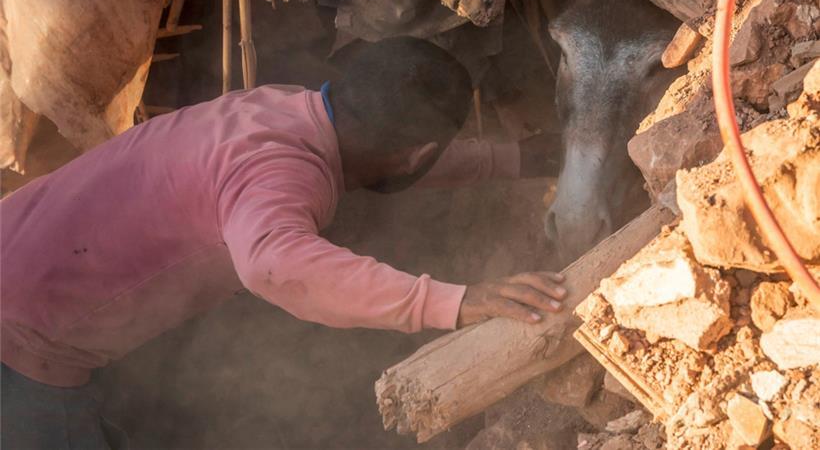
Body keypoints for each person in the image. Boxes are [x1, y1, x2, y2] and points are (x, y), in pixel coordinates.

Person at [0, 37, 567, 448]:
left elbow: (389, 156)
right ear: (415, 154)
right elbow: (272, 265)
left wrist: (512, 159)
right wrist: (455, 302)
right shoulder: (281, 172)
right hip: (24, 349)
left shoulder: (281, 109)